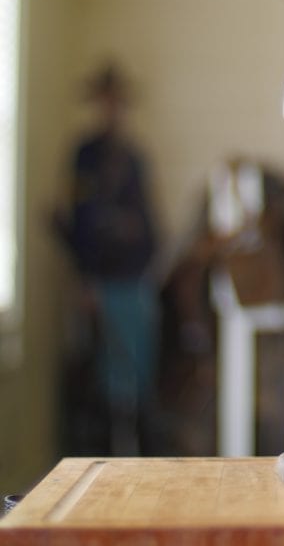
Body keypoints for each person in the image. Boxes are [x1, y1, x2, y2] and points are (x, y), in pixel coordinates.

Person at [53, 63, 158, 454]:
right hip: (101, 282)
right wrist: (85, 279)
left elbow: (149, 227)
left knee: (137, 375)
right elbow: (80, 223)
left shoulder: (134, 158)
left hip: (133, 280)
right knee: (105, 377)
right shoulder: (86, 156)